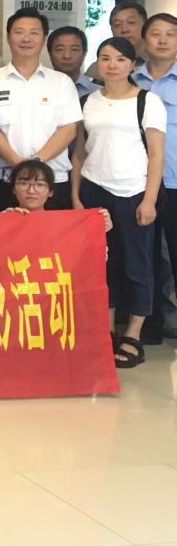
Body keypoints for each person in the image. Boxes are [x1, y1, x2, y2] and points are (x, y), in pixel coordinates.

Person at [72, 36, 166, 368]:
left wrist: (149, 200)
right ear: (97, 62)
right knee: (102, 265)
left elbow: (156, 155)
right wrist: (76, 196)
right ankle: (107, 330)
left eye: (120, 59)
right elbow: (79, 153)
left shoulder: (147, 101)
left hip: (133, 192)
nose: (112, 65)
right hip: (94, 191)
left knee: (137, 264)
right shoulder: (87, 101)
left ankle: (134, 335)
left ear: (132, 64)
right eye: (105, 58)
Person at [0, 7, 82, 212]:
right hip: (2, 181)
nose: (26, 39)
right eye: (19, 32)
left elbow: (69, 129)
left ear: (44, 39)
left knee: (52, 235)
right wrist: (16, 162)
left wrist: (35, 164)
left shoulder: (61, 82)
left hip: (52, 183)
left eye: (34, 33)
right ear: (8, 37)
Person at [137, 11, 177, 343]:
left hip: (176, 183)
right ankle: (148, 324)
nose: (163, 40)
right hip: (139, 185)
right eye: (156, 34)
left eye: (171, 35)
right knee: (145, 256)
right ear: (144, 40)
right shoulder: (129, 79)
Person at [4, 157, 111, 229]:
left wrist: (100, 224)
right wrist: (1, 222)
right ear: (13, 189)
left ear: (50, 192)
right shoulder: (4, 218)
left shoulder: (66, 224)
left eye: (40, 185)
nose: (31, 190)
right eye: (24, 184)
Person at [48, 25, 98, 98]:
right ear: (50, 54)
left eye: (74, 49)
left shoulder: (99, 90)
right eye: (60, 49)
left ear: (84, 54)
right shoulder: (37, 87)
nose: (67, 56)